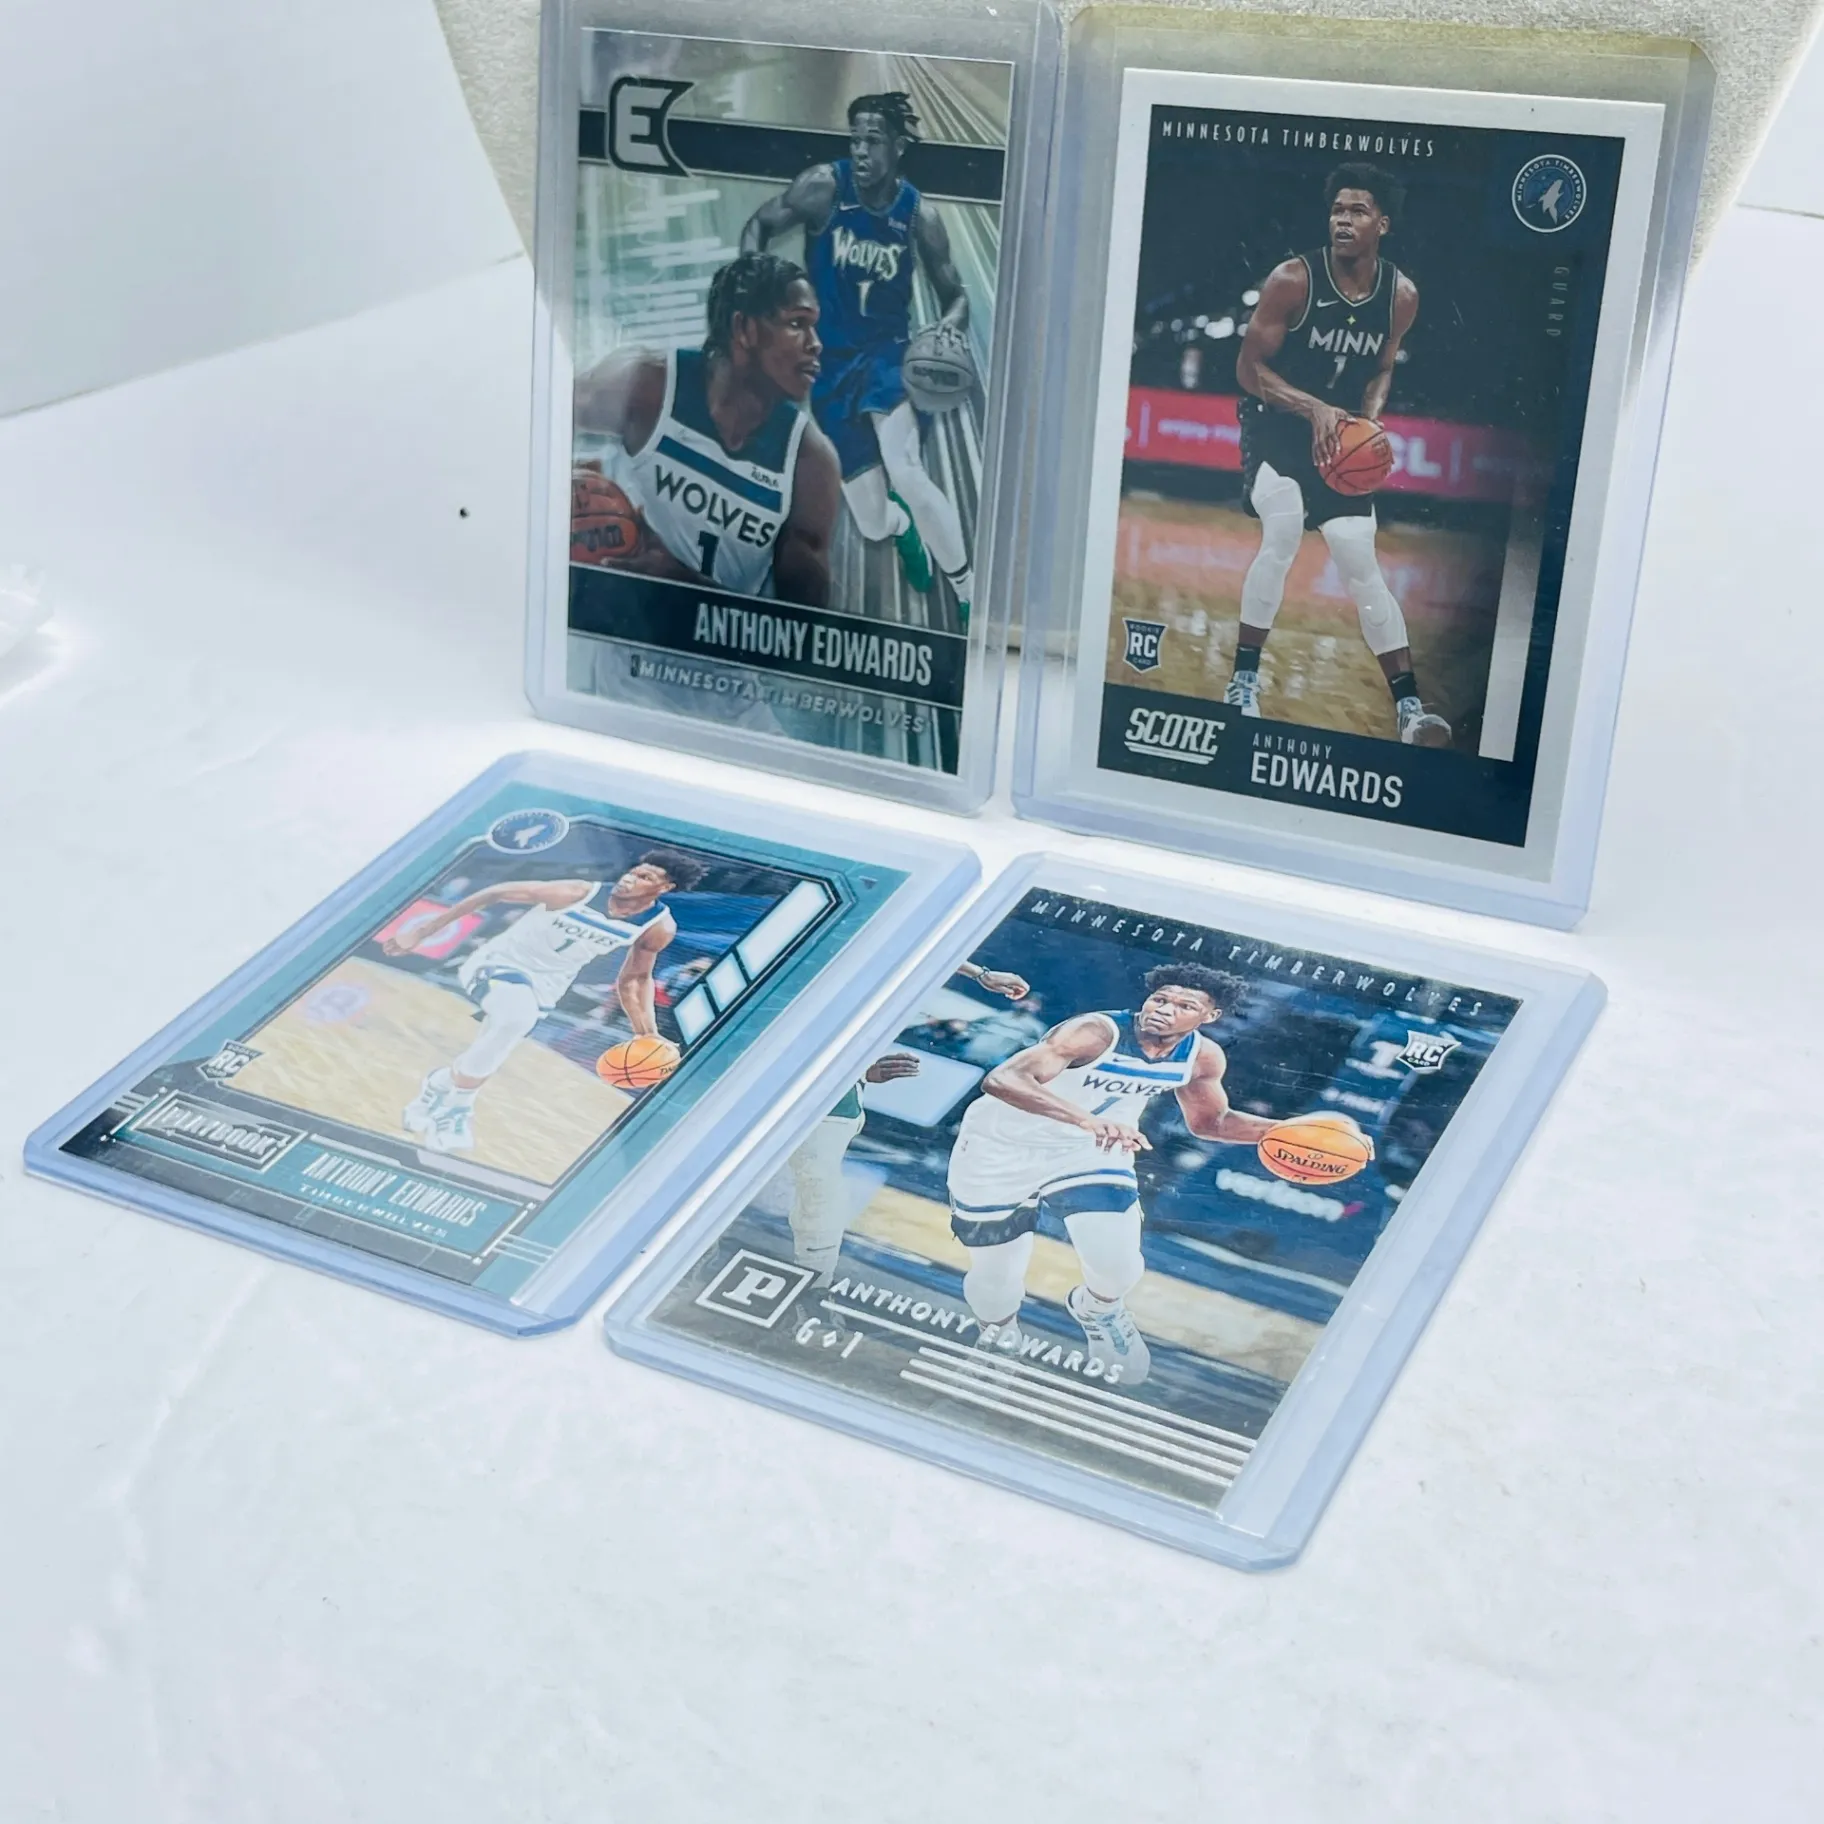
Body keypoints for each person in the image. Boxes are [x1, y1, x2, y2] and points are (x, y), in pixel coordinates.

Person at [946, 963, 1365, 1385]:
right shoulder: (1095, 1032)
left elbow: (1211, 1123)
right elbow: (1004, 1079)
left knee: (1119, 1266)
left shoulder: (1201, 1056)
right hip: (1000, 1147)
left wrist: (1294, 1134)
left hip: (1089, 1153)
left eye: (1184, 1005)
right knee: (997, 1272)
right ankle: (999, 1337)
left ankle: (1098, 1309)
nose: (1164, 1009)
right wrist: (1085, 1119)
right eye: (1160, 999)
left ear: (1210, 1016)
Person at [1227, 163, 1451, 745]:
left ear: (1383, 224)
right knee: (1282, 530)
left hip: (1341, 438)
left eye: (1357, 211)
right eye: (1337, 210)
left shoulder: (1401, 296)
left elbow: (1381, 369)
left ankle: (1410, 710)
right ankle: (1242, 684)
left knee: (1359, 560)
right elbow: (1248, 369)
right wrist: (1314, 408)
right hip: (1276, 426)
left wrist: (1368, 421)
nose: (1343, 220)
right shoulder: (1292, 280)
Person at [742, 92, 976, 619]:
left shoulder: (919, 215)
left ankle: (967, 592)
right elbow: (760, 225)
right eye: (855, 140)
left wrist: (949, 326)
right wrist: (752, 289)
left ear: (898, 146)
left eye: (873, 140)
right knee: (871, 523)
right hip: (829, 368)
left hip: (889, 357)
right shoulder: (823, 188)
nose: (862, 151)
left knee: (905, 467)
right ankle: (903, 527)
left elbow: (955, 295)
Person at [383, 849, 707, 1152]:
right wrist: (422, 932)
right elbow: (495, 892)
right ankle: (457, 1109)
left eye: (645, 878)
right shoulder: (577, 893)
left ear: (666, 888)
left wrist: (646, 1032)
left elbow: (634, 979)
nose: (630, 878)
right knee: (514, 1020)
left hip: (549, 986)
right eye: (633, 871)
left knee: (497, 1043)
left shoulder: (658, 926)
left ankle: (438, 1086)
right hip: (500, 962)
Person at [571, 252, 840, 607]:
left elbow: (798, 629)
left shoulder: (810, 461)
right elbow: (539, 413)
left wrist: (687, 587)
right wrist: (567, 483)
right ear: (744, 328)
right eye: (797, 323)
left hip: (716, 644)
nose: (815, 343)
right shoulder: (649, 385)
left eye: (813, 326)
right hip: (613, 632)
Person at [784, 959, 1031, 1283]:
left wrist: (980, 974)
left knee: (820, 1189)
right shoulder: (838, 969)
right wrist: (980, 974)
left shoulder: (923, 994)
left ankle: (814, 1284)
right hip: (778, 1061)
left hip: (833, 1088)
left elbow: (925, 955)